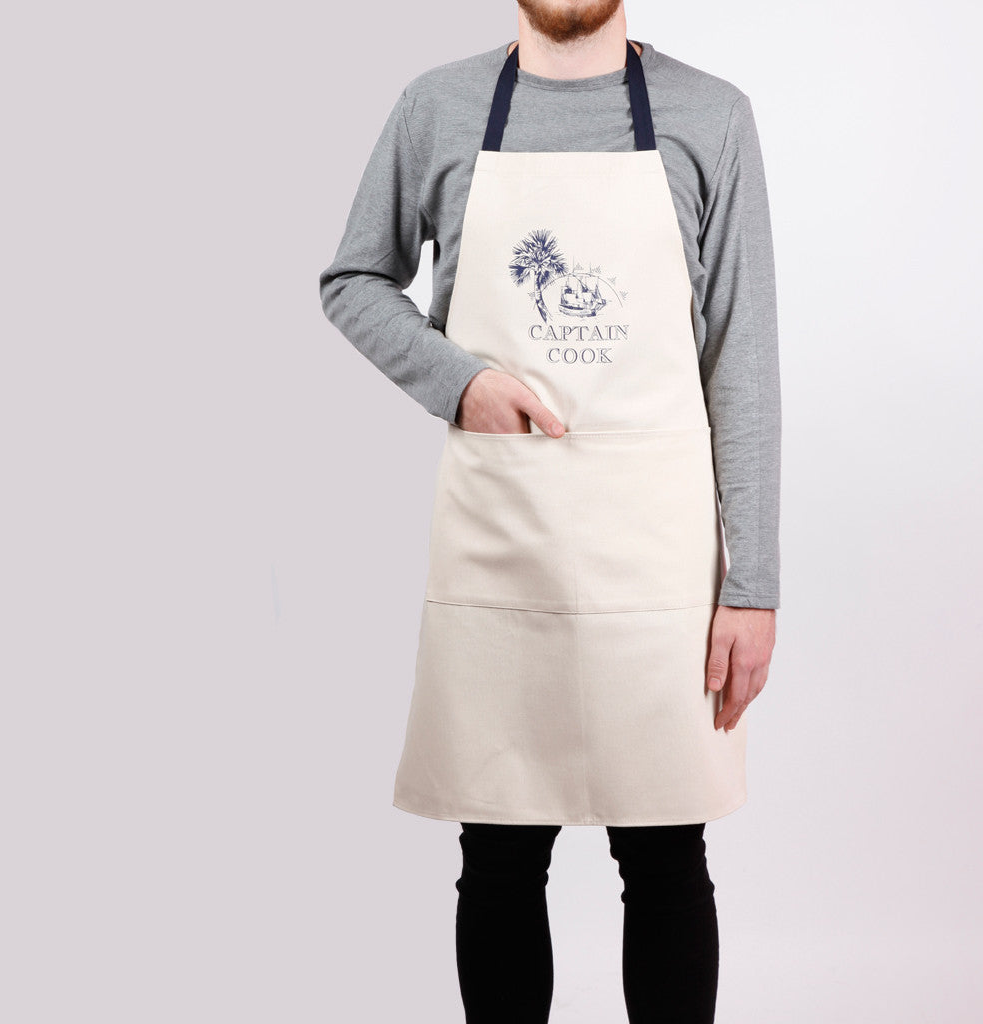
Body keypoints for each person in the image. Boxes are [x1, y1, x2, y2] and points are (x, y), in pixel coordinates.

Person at [319, 2, 780, 1021]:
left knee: (665, 851)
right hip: (503, 540)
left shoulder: (712, 116)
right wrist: (460, 382)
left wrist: (752, 584)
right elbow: (353, 279)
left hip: (657, 563)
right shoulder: (436, 107)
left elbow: (740, 362)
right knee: (497, 850)